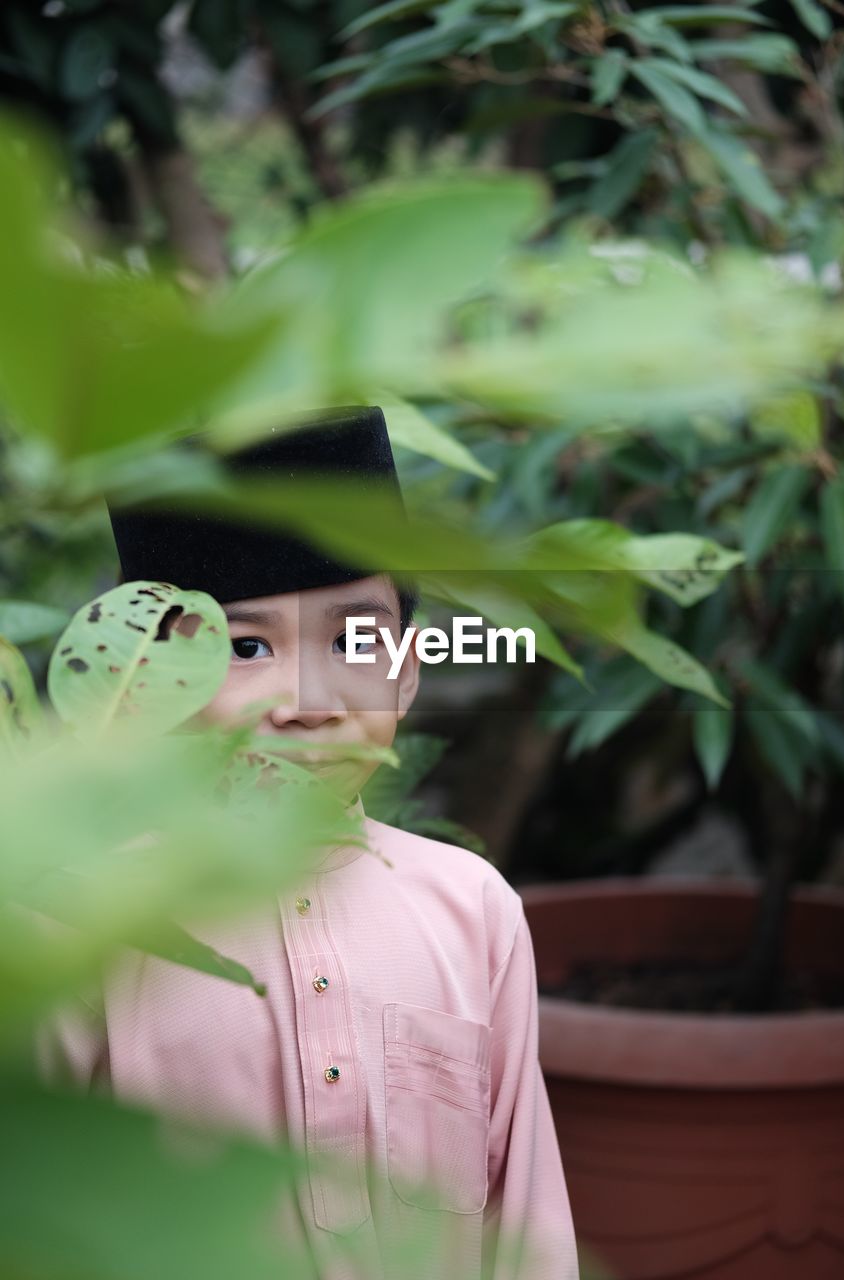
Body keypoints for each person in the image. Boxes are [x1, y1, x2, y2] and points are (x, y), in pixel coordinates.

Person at [37, 406, 579, 1280]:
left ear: (405, 672)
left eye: (353, 638)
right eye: (245, 645)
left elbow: (526, 1223)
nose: (307, 699)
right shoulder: (83, 925)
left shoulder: (471, 907)